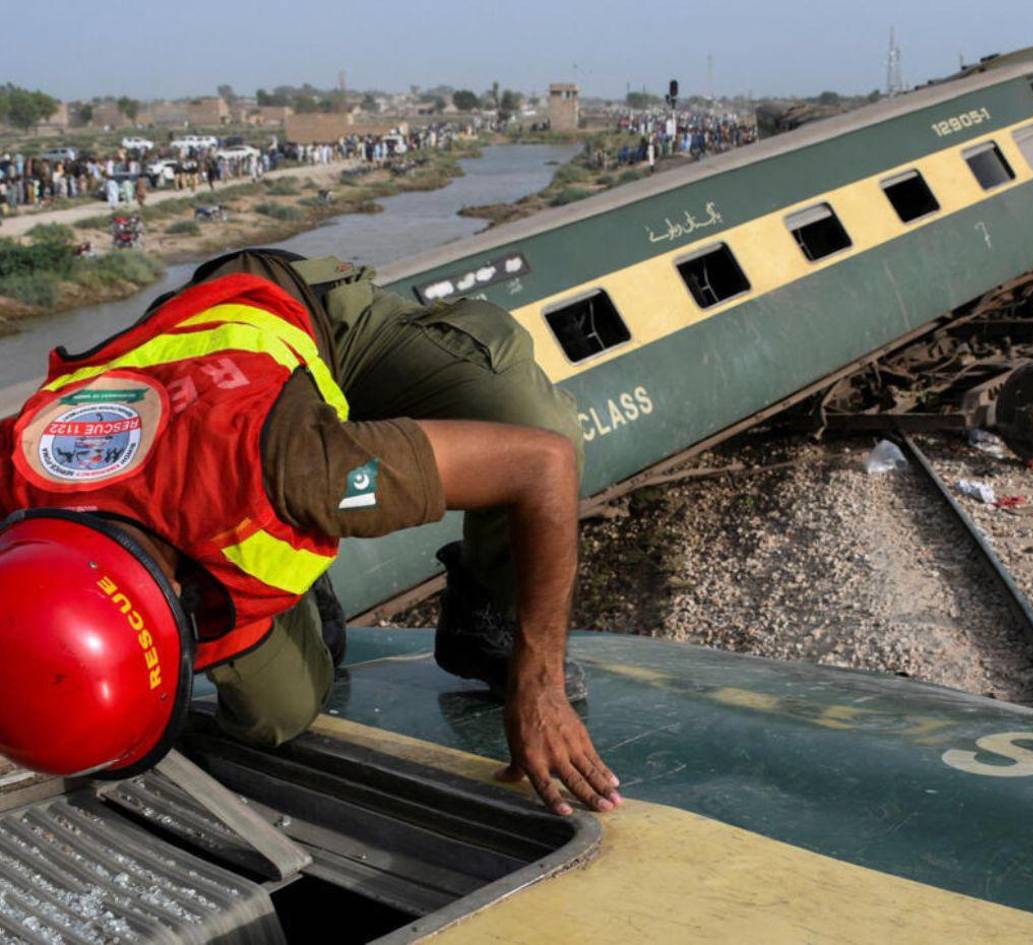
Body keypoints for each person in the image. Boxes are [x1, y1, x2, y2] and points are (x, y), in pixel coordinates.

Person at [0, 249, 621, 818]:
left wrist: (538, 681)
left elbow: (540, 465)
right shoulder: (13, 479)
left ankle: (485, 617)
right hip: (186, 407)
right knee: (279, 715)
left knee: (530, 420)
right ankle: (300, 590)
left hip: (299, 320)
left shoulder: (293, 470)